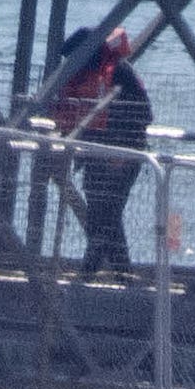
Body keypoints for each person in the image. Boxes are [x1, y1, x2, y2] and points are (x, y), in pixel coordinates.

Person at [49, 26, 153, 277]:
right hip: (93, 154)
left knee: (108, 212)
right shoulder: (80, 78)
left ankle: (95, 269)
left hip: (123, 154)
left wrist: (121, 149)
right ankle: (120, 272)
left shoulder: (120, 71)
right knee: (101, 215)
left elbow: (144, 114)